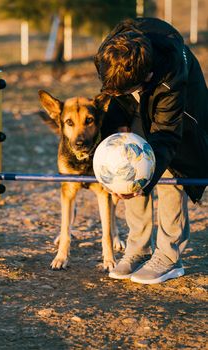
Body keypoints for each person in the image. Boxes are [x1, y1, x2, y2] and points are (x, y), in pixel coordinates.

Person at [94, 17, 208, 284]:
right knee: (128, 162)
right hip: (137, 99)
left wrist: (142, 183)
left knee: (168, 173)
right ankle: (137, 248)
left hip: (180, 110)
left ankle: (168, 257)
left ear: (146, 77)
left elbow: (166, 137)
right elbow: (113, 92)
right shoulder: (111, 52)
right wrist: (118, 128)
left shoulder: (172, 74)